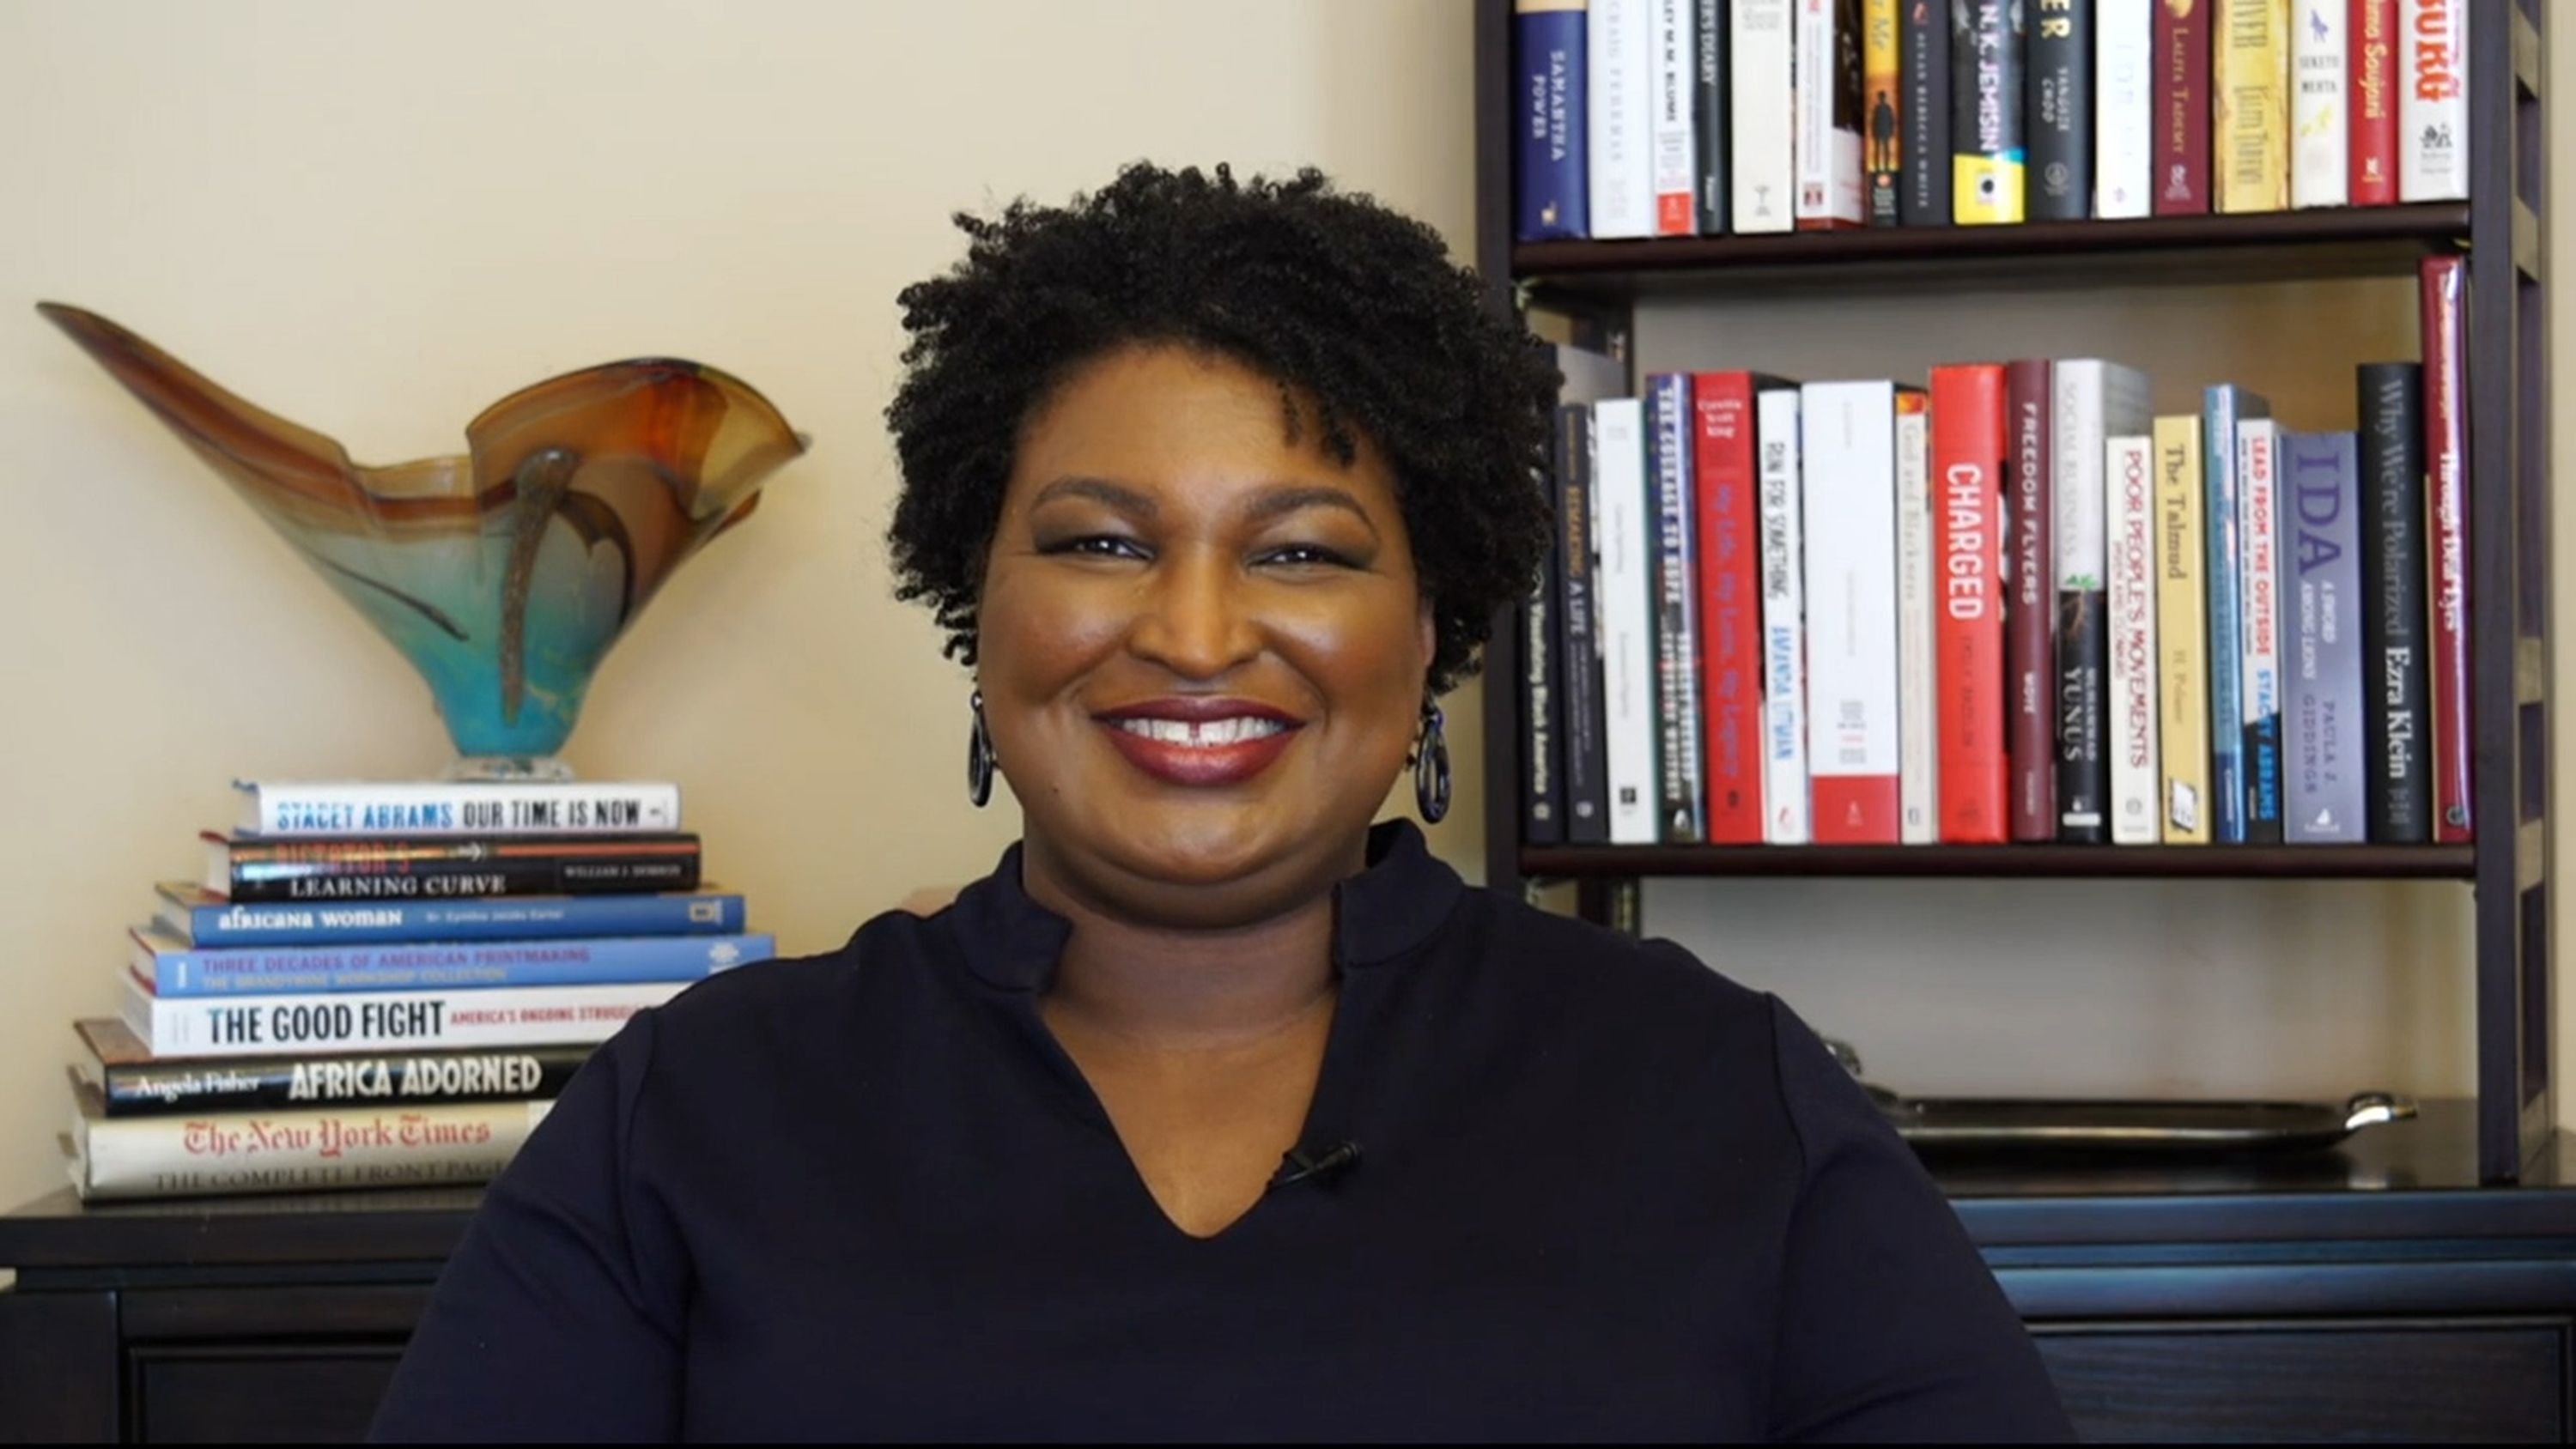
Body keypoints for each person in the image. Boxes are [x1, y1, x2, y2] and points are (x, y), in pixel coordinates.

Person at [370, 161, 2071, 1441]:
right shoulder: (707, 1108)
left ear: (1431, 633)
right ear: (986, 606)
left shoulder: (1716, 1091)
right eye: (1102, 540)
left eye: (1303, 553)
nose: (1192, 635)